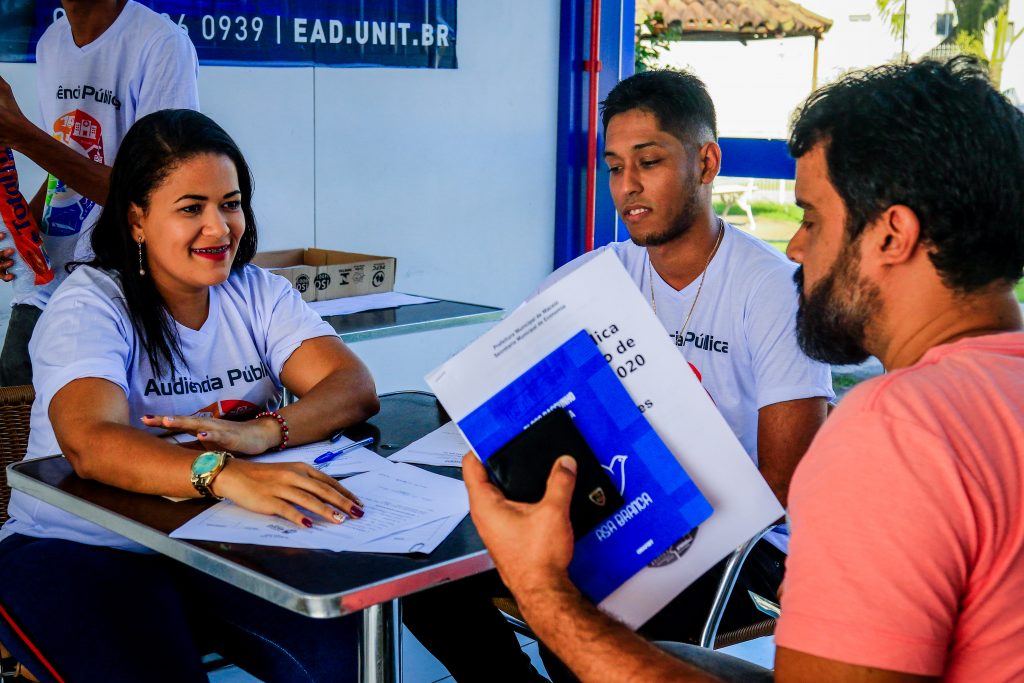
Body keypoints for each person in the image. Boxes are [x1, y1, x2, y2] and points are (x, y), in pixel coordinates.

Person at [465, 56, 1024, 682]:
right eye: (616, 167)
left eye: (811, 219)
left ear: (892, 236)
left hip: (722, 555)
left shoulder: (894, 432)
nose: (796, 248)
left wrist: (541, 590)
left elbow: (781, 490)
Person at [0, 109, 381, 682]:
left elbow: (352, 387)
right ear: (136, 218)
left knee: (340, 658)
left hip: (217, 538)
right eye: (191, 208)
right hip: (80, 545)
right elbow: (90, 443)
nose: (219, 228)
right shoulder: (90, 304)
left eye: (231, 203)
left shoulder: (258, 291)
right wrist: (222, 472)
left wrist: (265, 432)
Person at [0, 0, 199, 386]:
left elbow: (159, 194)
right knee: (16, 406)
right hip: (47, 285)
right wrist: (21, 236)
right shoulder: (52, 42)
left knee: (88, 417)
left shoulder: (161, 43)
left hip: (118, 287)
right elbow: (66, 163)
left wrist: (22, 135)